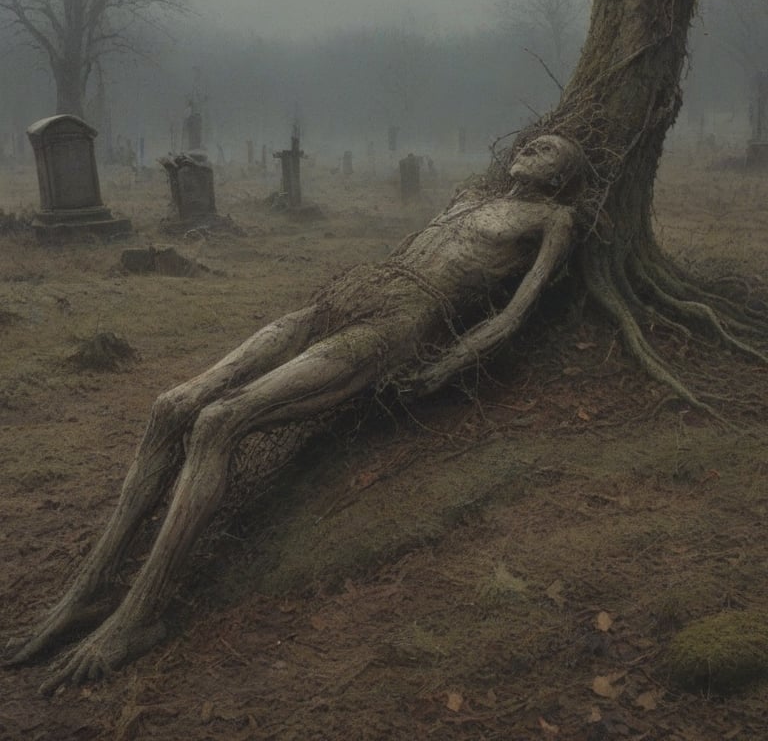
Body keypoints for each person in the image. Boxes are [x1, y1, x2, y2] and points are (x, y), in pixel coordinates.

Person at [9, 135, 584, 688]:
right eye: (534, 142)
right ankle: (89, 588)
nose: (532, 147)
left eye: (549, 149)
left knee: (218, 421)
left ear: (562, 177)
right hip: (351, 293)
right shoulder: (469, 196)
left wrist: (450, 362)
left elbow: (513, 312)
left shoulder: (551, 221)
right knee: (171, 406)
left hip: (395, 325)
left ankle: (139, 614)